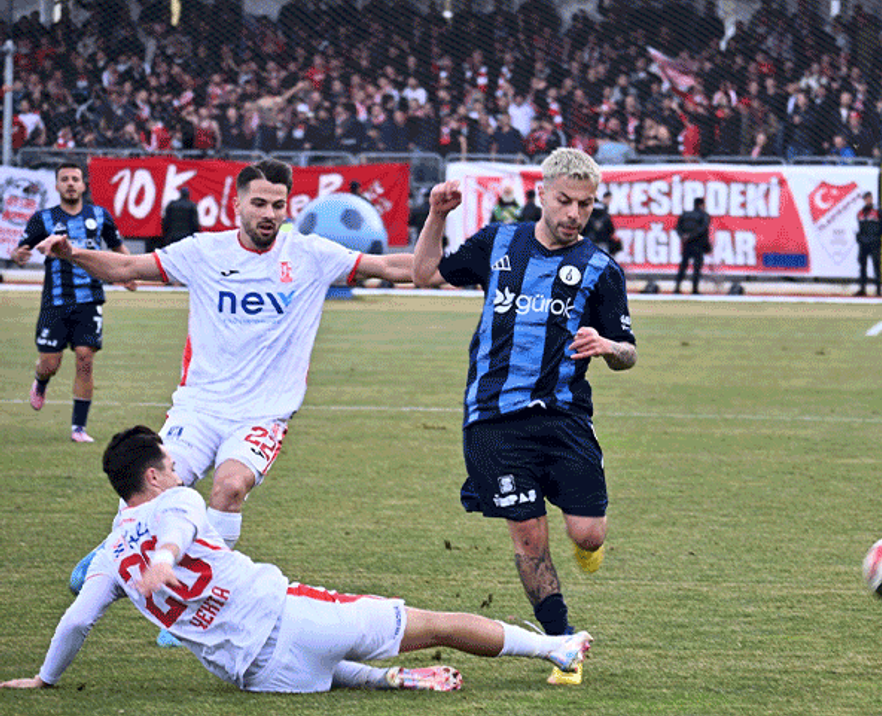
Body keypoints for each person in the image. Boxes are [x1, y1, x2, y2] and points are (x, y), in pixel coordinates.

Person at [37, 158, 417, 596]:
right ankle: (115, 549)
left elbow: (390, 267)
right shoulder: (204, 251)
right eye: (259, 203)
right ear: (236, 204)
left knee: (230, 487)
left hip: (262, 415)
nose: (269, 214)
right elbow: (127, 269)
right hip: (199, 407)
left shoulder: (311, 255)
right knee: (151, 486)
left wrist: (459, 261)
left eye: (278, 205)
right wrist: (73, 254)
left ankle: (200, 598)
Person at [0, 426, 592, 694]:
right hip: (292, 618)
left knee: (329, 666)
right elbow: (177, 527)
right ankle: (554, 647)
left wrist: (45, 678)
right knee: (431, 624)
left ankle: (388, 680)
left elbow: (78, 619)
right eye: (172, 466)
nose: (181, 474)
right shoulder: (177, 501)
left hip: (256, 678)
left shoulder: (108, 555)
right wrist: (167, 555)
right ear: (152, 477)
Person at [410, 148, 636, 686]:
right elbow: (423, 274)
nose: (574, 214)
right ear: (542, 194)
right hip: (493, 419)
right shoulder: (497, 243)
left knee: (587, 535)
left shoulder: (601, 270)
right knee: (528, 538)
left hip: (564, 418)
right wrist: (437, 215)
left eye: (585, 204)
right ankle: (562, 644)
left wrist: (608, 346)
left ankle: (587, 544)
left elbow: (628, 353)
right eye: (564, 200)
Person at [11, 161, 136, 443]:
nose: (70, 183)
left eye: (75, 179)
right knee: (50, 363)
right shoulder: (43, 219)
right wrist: (20, 255)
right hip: (55, 302)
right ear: (57, 185)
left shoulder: (99, 216)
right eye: (65, 179)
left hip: (90, 300)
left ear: (83, 185)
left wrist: (130, 273)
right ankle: (41, 381)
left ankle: (79, 428)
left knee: (85, 358)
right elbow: (21, 250)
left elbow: (117, 247)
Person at [674, 197, 712, 295]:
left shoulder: (685, 214)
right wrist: (707, 246)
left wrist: (683, 236)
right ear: (701, 205)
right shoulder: (704, 215)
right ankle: (694, 289)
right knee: (697, 268)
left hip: (687, 245)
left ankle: (677, 288)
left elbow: (677, 228)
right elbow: (703, 229)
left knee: (683, 267)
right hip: (698, 245)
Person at [854, 191, 882, 296]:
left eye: (869, 198)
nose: (867, 200)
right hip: (863, 244)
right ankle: (862, 289)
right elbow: (858, 228)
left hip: (874, 243)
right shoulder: (860, 212)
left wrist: (876, 236)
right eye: (865, 198)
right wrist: (859, 238)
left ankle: (878, 290)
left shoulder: (878, 210)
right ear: (863, 200)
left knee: (876, 266)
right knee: (862, 267)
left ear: (872, 199)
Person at [160, 187, 200, 251]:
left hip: (172, 236)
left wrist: (165, 236)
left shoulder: (172, 204)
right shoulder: (191, 206)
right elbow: (195, 223)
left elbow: (165, 222)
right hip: (186, 237)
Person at [582, 190, 619, 256]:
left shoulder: (586, 209)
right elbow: (610, 228)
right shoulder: (604, 210)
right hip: (602, 240)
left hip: (589, 239)